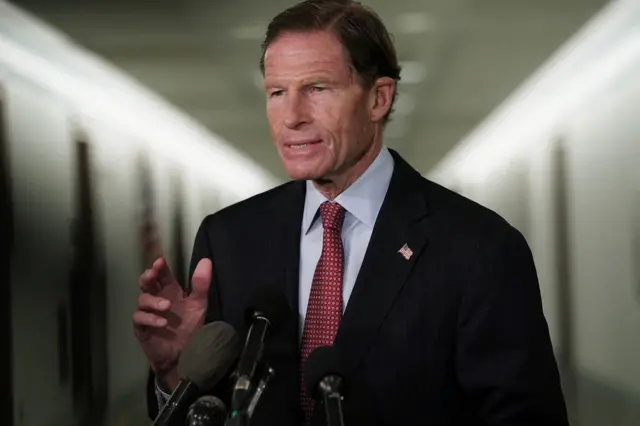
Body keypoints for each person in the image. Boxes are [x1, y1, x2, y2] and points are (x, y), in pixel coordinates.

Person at [133, 0, 569, 424]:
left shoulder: (479, 247)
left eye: (317, 89)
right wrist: (176, 376)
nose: (292, 116)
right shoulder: (228, 239)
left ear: (379, 98)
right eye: (277, 92)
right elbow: (214, 411)